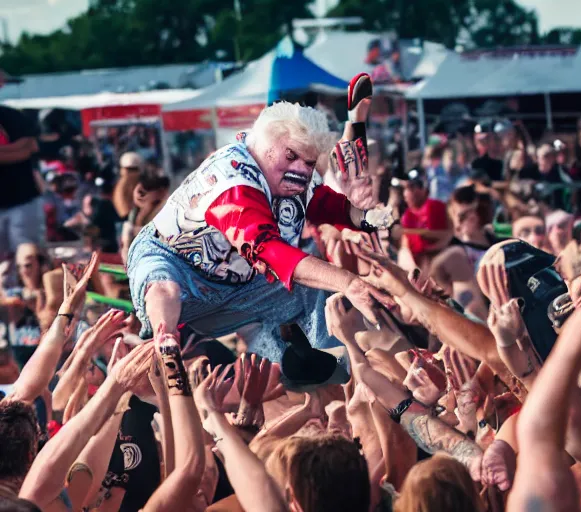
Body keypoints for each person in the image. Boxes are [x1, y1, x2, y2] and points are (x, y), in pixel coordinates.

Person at [127, 86, 393, 371]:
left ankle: (331, 365)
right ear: (267, 144)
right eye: (291, 156)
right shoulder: (232, 182)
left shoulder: (290, 173)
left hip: (239, 286)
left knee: (315, 289)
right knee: (165, 285)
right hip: (176, 265)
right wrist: (349, 282)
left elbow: (326, 203)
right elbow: (267, 249)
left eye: (309, 162)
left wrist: (369, 217)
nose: (302, 170)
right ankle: (165, 340)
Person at [430, 186, 495, 319]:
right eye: (461, 216)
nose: (471, 218)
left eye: (475, 212)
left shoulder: (497, 241)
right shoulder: (454, 254)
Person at [0, 98, 42, 266]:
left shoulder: (11, 115)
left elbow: (30, 148)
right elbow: (23, 150)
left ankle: (32, 290)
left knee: (28, 257)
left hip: (23, 199)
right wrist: (16, 149)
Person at [399, 170, 450, 272]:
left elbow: (447, 235)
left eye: (412, 188)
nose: (406, 194)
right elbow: (406, 244)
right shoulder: (406, 216)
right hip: (417, 265)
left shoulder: (436, 206)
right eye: (405, 189)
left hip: (440, 257)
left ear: (422, 189)